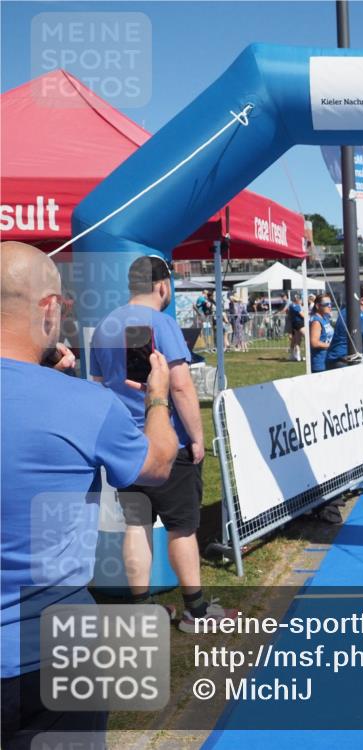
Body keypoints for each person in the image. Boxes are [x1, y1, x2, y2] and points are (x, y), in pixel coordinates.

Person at [1, 242, 176, 748]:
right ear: (48, 309)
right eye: (63, 304)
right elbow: (158, 463)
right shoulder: (84, 404)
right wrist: (158, 396)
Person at [90, 255, 235, 633]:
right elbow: (181, 386)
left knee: (136, 525)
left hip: (125, 444)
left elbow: (97, 386)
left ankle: (141, 610)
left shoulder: (105, 325)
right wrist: (198, 437)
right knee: (181, 527)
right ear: (162, 286)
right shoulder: (162, 323)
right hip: (168, 441)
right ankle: (195, 611)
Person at [309, 294, 335, 373]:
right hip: (320, 363)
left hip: (327, 360)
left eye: (331, 304)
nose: (330, 306)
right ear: (318, 306)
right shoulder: (316, 321)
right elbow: (314, 343)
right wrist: (332, 346)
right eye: (327, 304)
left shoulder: (325, 318)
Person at [286, 292, 305, 361]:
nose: (301, 300)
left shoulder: (295, 305)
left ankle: (297, 355)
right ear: (296, 299)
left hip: (296, 324)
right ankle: (297, 355)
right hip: (298, 323)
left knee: (297, 340)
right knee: (307, 337)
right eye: (299, 299)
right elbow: (302, 315)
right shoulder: (294, 306)